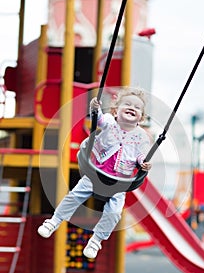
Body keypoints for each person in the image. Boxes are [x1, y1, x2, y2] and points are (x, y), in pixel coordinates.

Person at [38, 87, 152, 258]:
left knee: (114, 213)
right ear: (115, 110)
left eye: (137, 107)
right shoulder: (109, 121)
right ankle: (54, 221)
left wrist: (143, 163)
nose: (132, 107)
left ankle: (96, 240)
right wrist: (95, 110)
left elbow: (141, 155)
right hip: (96, 173)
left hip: (119, 181)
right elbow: (97, 121)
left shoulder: (142, 137)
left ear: (141, 118)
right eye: (127, 104)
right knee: (74, 195)